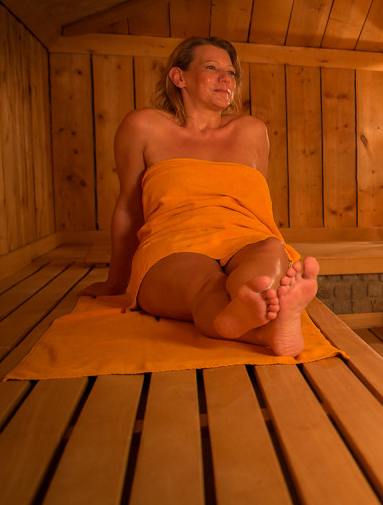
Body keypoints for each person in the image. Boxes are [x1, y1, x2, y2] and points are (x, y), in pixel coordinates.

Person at [79, 36, 318, 357]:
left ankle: (254, 305)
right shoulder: (144, 126)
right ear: (179, 77)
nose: (226, 78)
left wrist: (268, 245)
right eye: (211, 68)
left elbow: (257, 205)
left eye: (231, 73)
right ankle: (264, 326)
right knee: (206, 284)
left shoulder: (251, 131)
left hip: (247, 239)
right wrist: (115, 283)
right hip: (174, 245)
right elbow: (129, 207)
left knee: (267, 254)